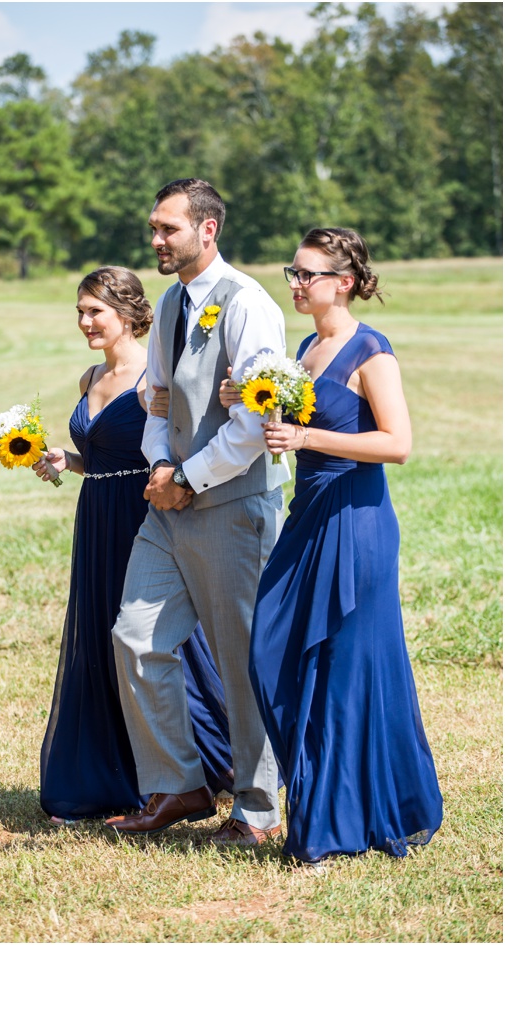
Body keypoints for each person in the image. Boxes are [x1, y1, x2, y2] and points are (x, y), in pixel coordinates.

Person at [236, 227, 442, 863]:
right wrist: (248, 402)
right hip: (308, 515)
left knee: (346, 669)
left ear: (343, 283)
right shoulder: (306, 346)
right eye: (293, 272)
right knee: (271, 644)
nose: (295, 284)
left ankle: (344, 819)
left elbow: (397, 444)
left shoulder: (370, 351)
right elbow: (299, 420)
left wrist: (308, 442)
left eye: (307, 274)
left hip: (357, 520)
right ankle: (324, 802)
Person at [106, 178, 287, 845]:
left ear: (207, 229)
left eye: (168, 228)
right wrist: (162, 468)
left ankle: (258, 808)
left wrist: (190, 475)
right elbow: (155, 399)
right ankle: (179, 783)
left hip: (234, 505)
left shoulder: (248, 305)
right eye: (153, 227)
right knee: (136, 634)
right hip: (168, 503)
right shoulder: (169, 300)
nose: (155, 239)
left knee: (242, 658)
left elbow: (254, 418)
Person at [33, 267, 232, 820]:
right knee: (102, 639)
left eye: (95, 311)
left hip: (141, 522)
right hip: (94, 520)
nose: (84, 322)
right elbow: (99, 462)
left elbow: (173, 450)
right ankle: (109, 771)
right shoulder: (88, 377)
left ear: (127, 313)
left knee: (162, 643)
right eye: (79, 311)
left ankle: (213, 761)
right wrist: (62, 461)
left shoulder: (153, 380)